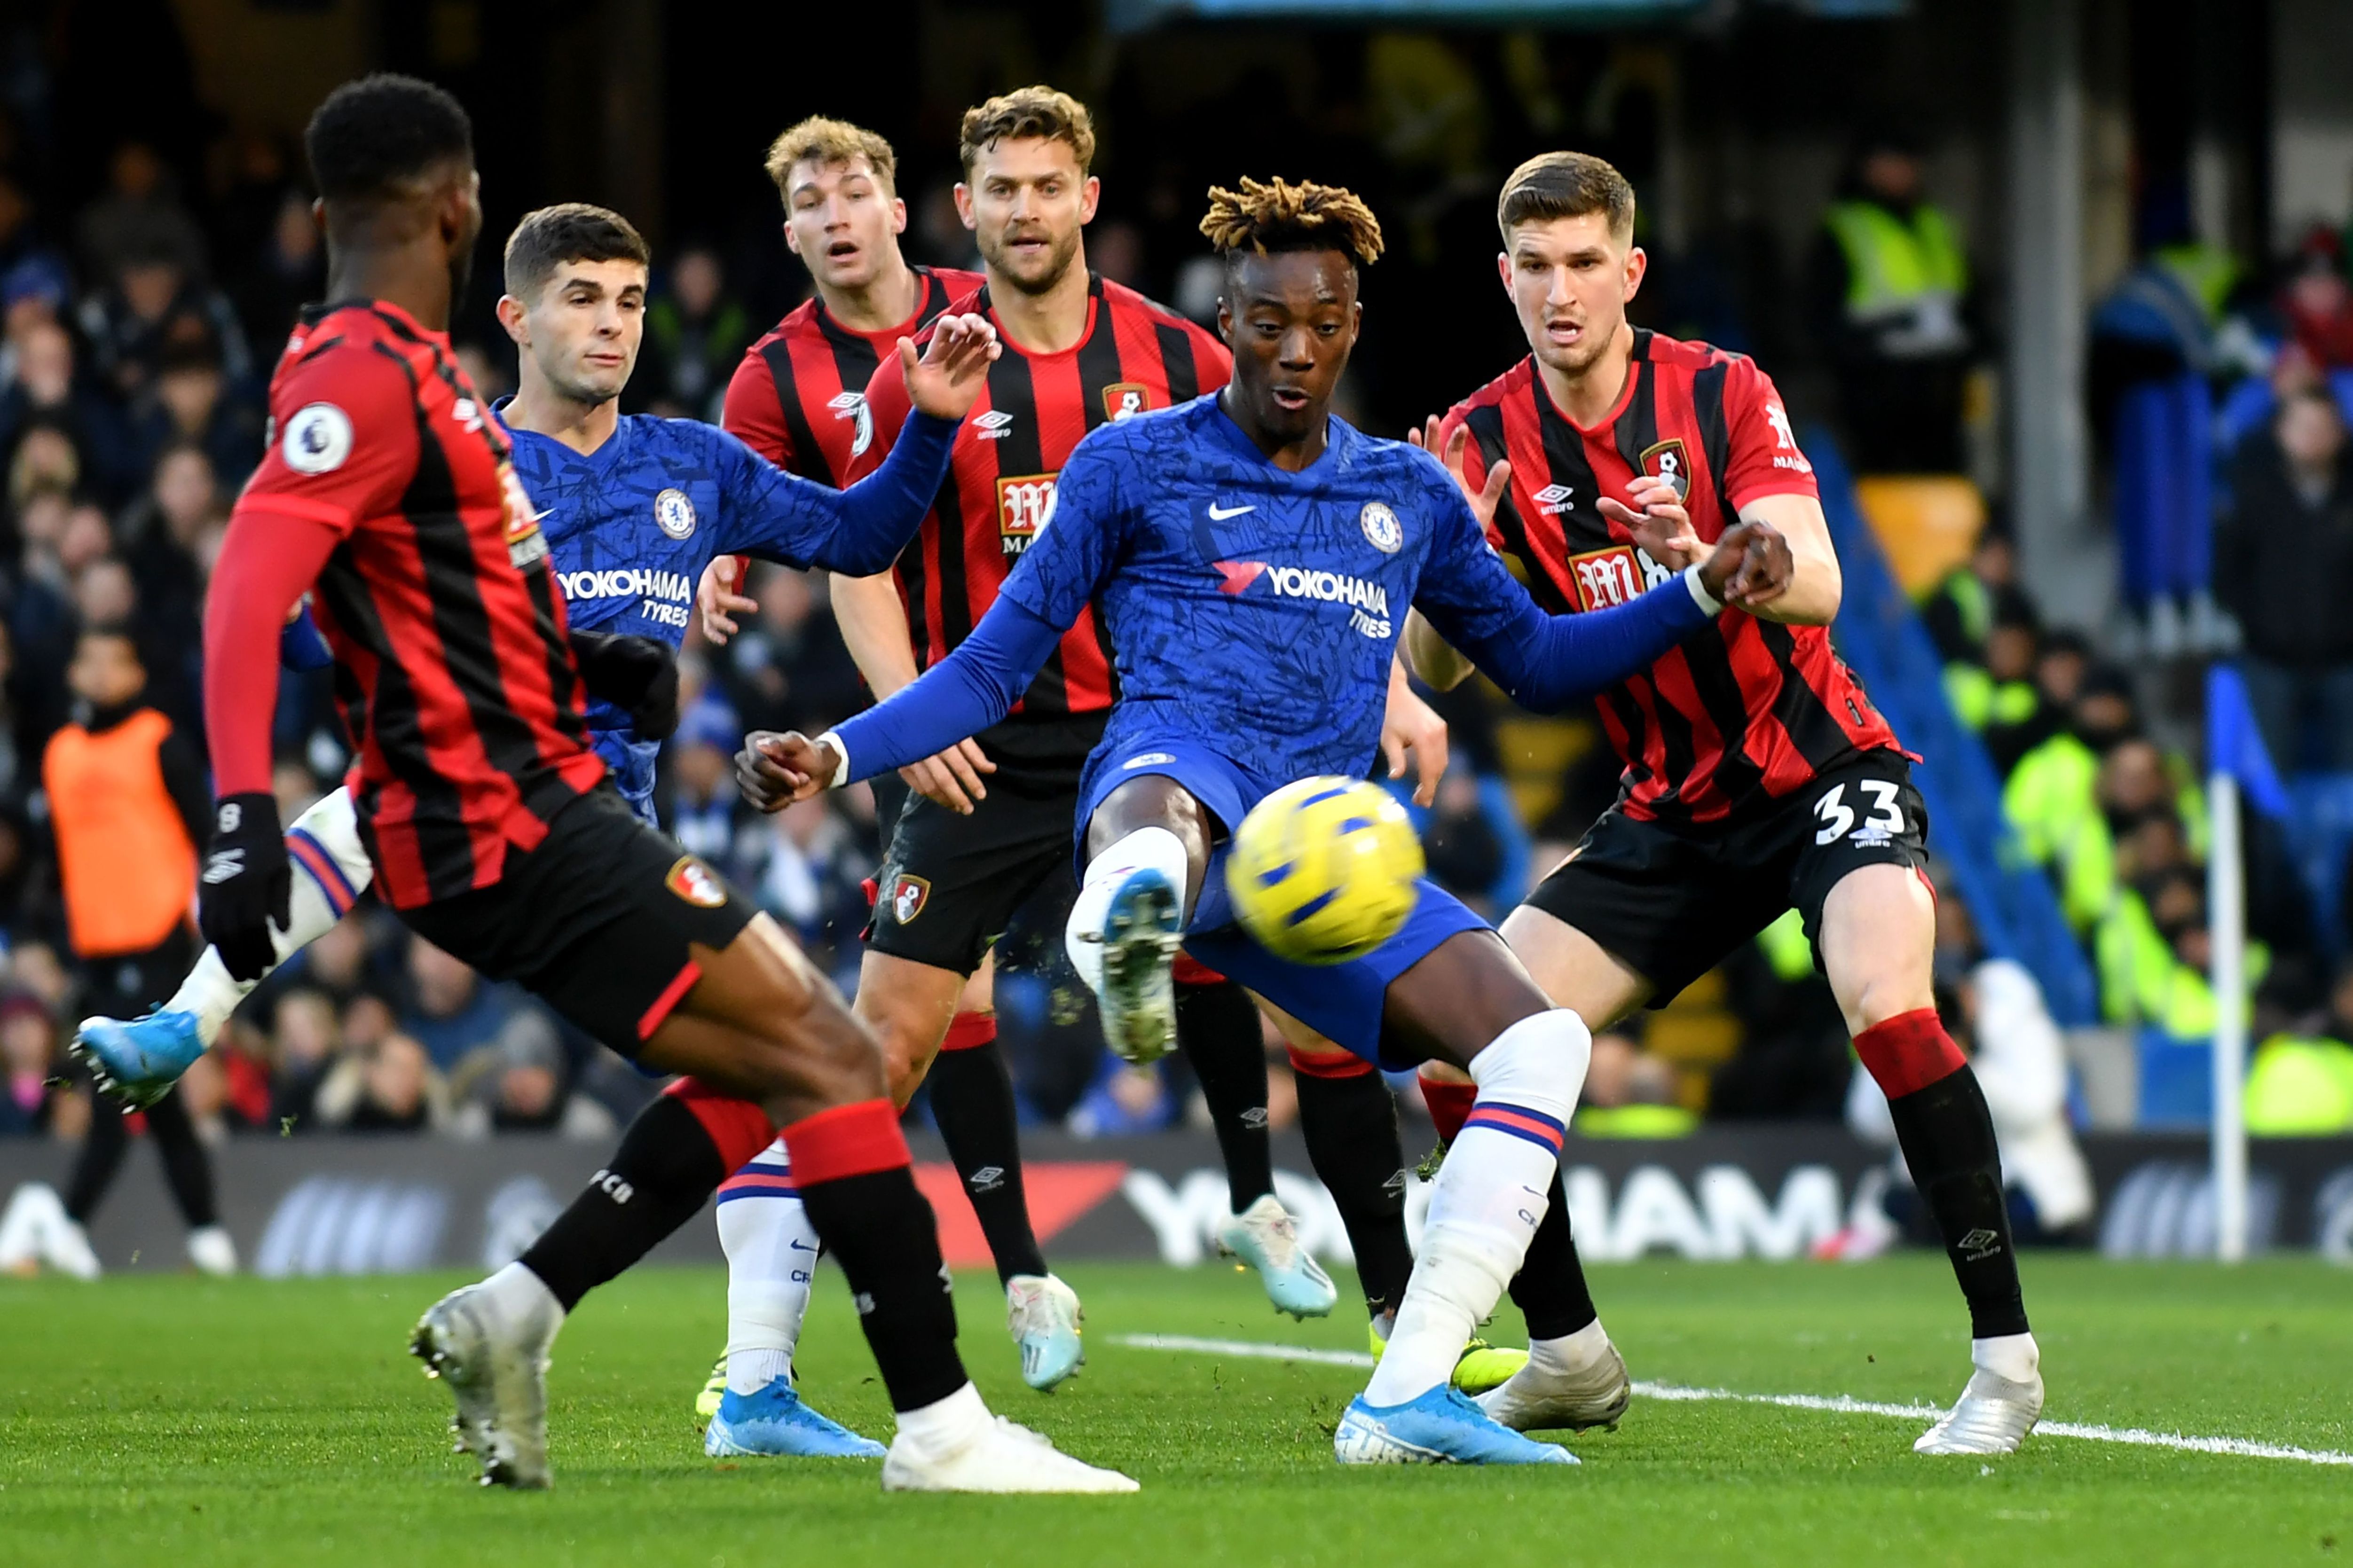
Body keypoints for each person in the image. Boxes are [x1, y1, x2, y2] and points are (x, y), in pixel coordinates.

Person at [88, 73, 1127, 1495]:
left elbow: (855, 528)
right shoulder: (386, 389)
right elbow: (266, 597)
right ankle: (937, 1427)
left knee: (775, 1067)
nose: (615, 322)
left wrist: (928, 422)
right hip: (512, 815)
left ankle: (535, 1315)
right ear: (470, 235)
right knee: (830, 1054)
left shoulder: (609, 440)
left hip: (575, 811)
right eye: (585, 295)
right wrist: (239, 813)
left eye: (632, 299)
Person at [740, 174, 1791, 1466]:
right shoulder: (1131, 463)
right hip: (1170, 793)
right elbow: (988, 670)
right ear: (1222, 318)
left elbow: (1537, 662)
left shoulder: (1400, 493)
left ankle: (1403, 1395)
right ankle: (1129, 912)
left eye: (1326, 323)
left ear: (1355, 323)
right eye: (1266, 322)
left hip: (1316, 868)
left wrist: (1696, 591)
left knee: (1537, 1047)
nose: (1296, 351)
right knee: (1162, 793)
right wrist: (838, 751)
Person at [704, 99, 1433, 1409]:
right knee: (878, 1053)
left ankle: (1396, 1324)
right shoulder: (917, 372)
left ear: (1086, 199)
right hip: (979, 744)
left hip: (1159, 730)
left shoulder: (1167, 343)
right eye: (1002, 189)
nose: (1027, 209)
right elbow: (862, 555)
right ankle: (757, 1374)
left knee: (1317, 993)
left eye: (1050, 185)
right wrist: (898, 721)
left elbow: (1306, 516)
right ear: (964, 213)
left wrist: (1379, 676)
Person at [1411, 150, 2043, 1455]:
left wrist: (1703, 559)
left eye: (1585, 263)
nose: (1560, 291)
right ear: (1504, 279)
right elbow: (1438, 668)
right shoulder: (1475, 441)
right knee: (1452, 1046)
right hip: (1672, 811)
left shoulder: (1718, 393)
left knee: (1882, 993)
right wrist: (1445, 561)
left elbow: (1816, 583)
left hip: (1819, 768)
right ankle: (1570, 1356)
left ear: (1630, 271)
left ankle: (2004, 1365)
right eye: (1533, 267)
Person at [37, 625, 234, 1277]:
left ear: (135, 675)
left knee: (118, 1089)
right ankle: (209, 1240)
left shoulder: (160, 742)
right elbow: (60, 859)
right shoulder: (60, 753)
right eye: (86, 659)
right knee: (161, 1101)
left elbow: (206, 836)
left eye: (111, 661)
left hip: (154, 942)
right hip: (95, 947)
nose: (97, 673)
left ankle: (66, 1223)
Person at [1805, 128, 1973, 474]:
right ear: (1866, 167)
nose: (1903, 172)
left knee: (1944, 489)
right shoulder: (1845, 229)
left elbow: (1966, 298)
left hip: (1942, 390)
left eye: (1908, 162)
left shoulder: (1934, 224)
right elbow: (1820, 319)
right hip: (1876, 395)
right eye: (1891, 161)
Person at [2215, 384, 2353, 772]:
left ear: (2340, 434)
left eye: (2322, 428)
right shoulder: (2253, 494)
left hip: (2346, 659)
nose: (2312, 439)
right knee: (2268, 778)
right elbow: (2227, 572)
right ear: (2280, 433)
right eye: (2302, 428)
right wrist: (2257, 627)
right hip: (2270, 658)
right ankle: (2269, 835)